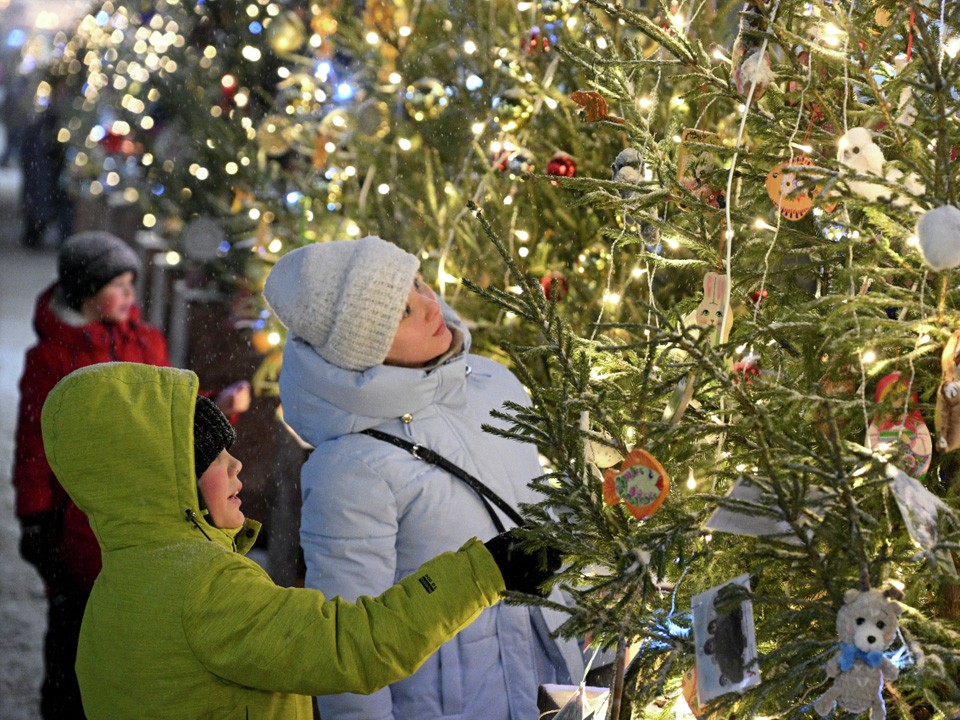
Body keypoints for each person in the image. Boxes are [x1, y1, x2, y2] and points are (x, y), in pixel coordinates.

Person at [39, 361, 557, 718]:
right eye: (214, 458)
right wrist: (485, 571)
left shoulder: (122, 583)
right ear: (168, 480)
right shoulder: (206, 589)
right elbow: (351, 647)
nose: (237, 465)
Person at [263, 235, 585, 720]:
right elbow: (351, 655)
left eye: (417, 282)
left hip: (552, 690)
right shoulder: (350, 467)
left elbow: (532, 512)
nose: (430, 305)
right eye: (399, 313)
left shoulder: (492, 382)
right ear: (362, 349)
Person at [12, 231, 250, 720]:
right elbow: (34, 448)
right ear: (83, 292)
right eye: (115, 286)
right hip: (80, 521)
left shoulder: (146, 340)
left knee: (133, 630)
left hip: (146, 511)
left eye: (129, 284)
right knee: (74, 636)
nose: (127, 297)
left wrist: (217, 410)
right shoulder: (54, 358)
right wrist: (35, 519)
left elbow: (165, 418)